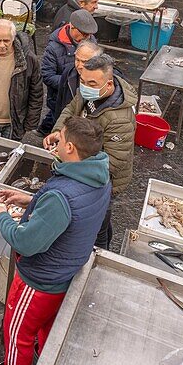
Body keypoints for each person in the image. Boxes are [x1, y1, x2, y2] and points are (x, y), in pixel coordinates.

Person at [0, 116, 110, 365]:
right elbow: (75, 211)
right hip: (67, 273)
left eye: (61, 138)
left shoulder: (62, 195)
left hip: (39, 283)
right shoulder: (99, 176)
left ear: (70, 148)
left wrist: (2, 217)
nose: (57, 140)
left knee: (18, 334)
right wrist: (32, 200)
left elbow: (26, 242)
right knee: (47, 331)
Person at [45, 52, 135, 248]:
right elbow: (70, 110)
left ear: (109, 84)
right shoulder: (87, 89)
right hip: (81, 163)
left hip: (104, 181)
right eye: (83, 81)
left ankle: (99, 253)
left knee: (97, 223)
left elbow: (113, 162)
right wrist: (60, 133)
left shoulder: (120, 119)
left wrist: (72, 165)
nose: (85, 87)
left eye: (92, 84)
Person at [39, 9, 97, 134]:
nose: (88, 38)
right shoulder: (53, 48)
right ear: (72, 27)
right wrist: (70, 81)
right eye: (84, 34)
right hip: (59, 97)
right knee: (59, 120)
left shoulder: (90, 40)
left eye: (89, 35)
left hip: (83, 94)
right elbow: (47, 76)